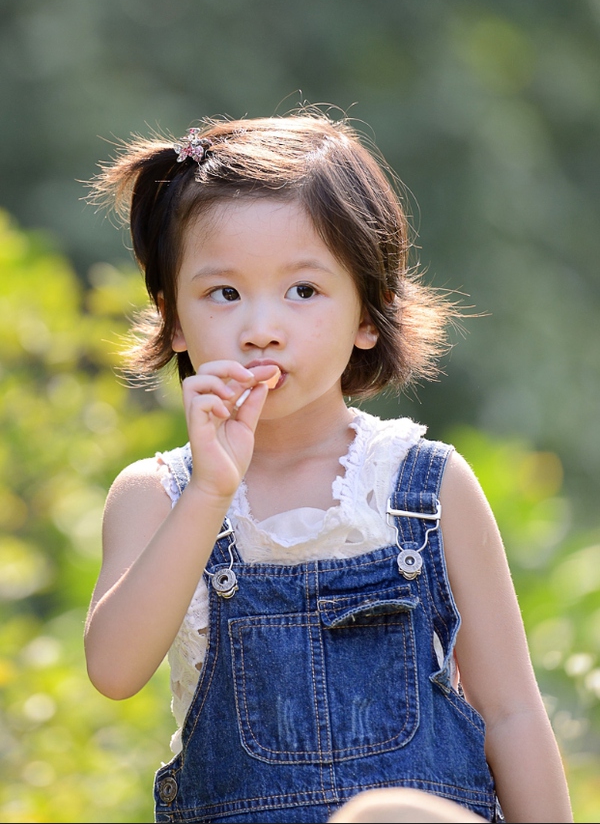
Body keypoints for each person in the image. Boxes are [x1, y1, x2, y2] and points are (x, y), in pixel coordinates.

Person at [84, 110, 573, 824]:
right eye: (224, 293)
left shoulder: (424, 488)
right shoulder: (158, 494)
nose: (261, 327)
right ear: (176, 318)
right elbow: (114, 671)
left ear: (368, 314)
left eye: (303, 291)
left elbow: (511, 713)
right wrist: (213, 490)